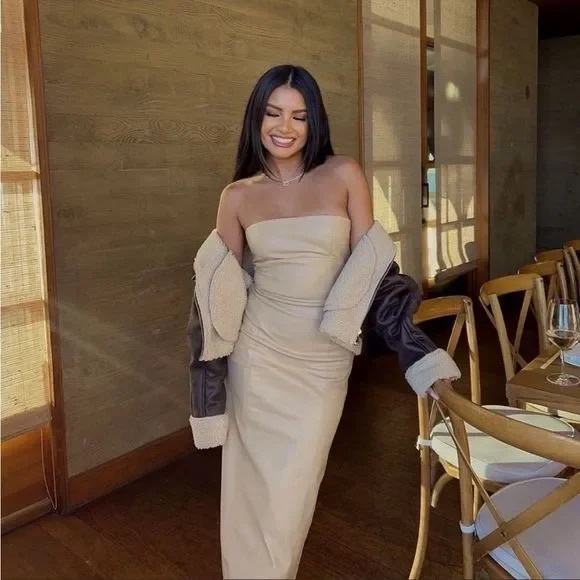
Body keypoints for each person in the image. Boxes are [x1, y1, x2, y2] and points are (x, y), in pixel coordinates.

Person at [186, 64, 460, 580]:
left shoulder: (344, 174)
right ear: (256, 118)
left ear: (314, 122)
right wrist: (208, 386)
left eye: (299, 116)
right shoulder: (237, 196)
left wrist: (418, 354)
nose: (284, 127)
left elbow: (375, 275)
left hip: (322, 364)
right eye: (273, 113)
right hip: (257, 357)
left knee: (293, 492)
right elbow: (216, 297)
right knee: (248, 492)